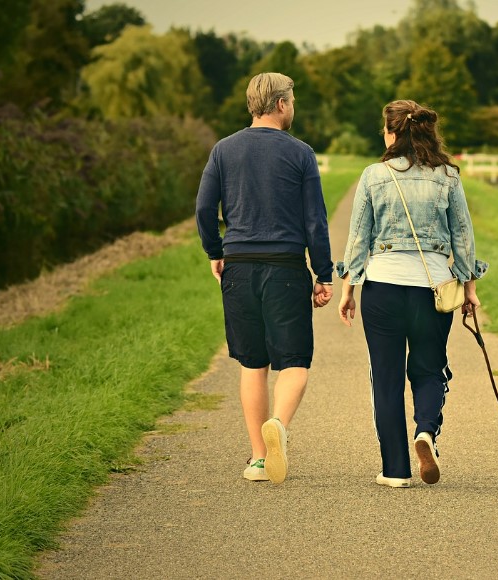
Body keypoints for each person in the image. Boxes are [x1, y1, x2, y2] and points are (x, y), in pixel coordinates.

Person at [336, 100, 488, 488]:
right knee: (429, 368)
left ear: (392, 133)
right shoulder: (448, 177)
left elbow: (358, 239)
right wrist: (469, 289)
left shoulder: (373, 176)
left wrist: (348, 289)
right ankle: (426, 431)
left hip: (383, 287)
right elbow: (463, 238)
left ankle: (394, 470)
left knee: (385, 378)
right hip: (434, 289)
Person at [195, 72, 334, 485]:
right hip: (286, 269)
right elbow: (315, 221)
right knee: (294, 363)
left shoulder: (223, 150)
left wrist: (215, 252)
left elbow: (205, 209)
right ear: (279, 104)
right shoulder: (301, 154)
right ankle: (279, 424)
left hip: (238, 266)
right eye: (291, 101)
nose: (293, 107)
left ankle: (258, 457)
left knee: (253, 364)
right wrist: (323, 274)